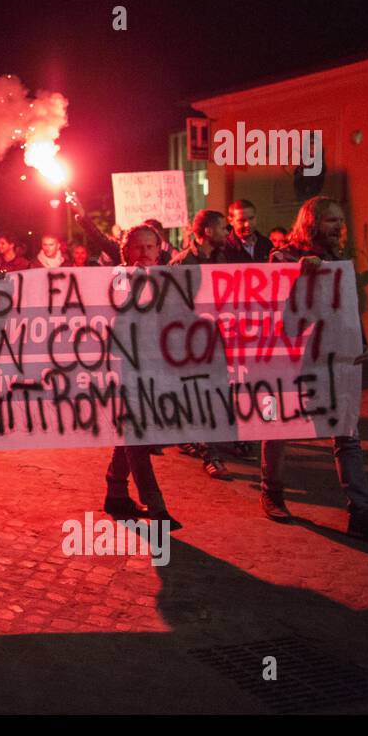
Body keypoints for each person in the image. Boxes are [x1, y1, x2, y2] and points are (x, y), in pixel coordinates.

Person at [258, 196, 368, 539]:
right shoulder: (283, 257)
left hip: (335, 361)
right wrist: (299, 274)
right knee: (281, 427)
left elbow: (343, 308)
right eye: (330, 221)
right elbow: (274, 305)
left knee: (348, 433)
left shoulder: (338, 260)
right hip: (294, 360)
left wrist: (361, 340)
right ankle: (272, 492)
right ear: (311, 223)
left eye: (340, 221)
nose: (339, 227)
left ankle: (361, 512)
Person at [103, 224, 181, 528]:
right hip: (126, 364)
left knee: (134, 430)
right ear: (126, 251)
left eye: (151, 247)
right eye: (138, 247)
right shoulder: (116, 279)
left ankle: (116, 490)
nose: (145, 253)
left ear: (159, 249)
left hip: (158, 364)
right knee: (137, 432)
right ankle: (155, 502)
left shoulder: (167, 279)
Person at [169, 210, 236, 480]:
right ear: (207, 231)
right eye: (223, 227)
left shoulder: (222, 257)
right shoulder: (182, 263)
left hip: (218, 339)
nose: (227, 232)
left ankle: (206, 441)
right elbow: (172, 307)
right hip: (193, 343)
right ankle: (211, 455)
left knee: (217, 394)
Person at [221, 199, 274, 263]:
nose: (247, 224)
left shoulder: (266, 244)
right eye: (242, 220)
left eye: (251, 218)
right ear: (231, 221)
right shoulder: (224, 248)